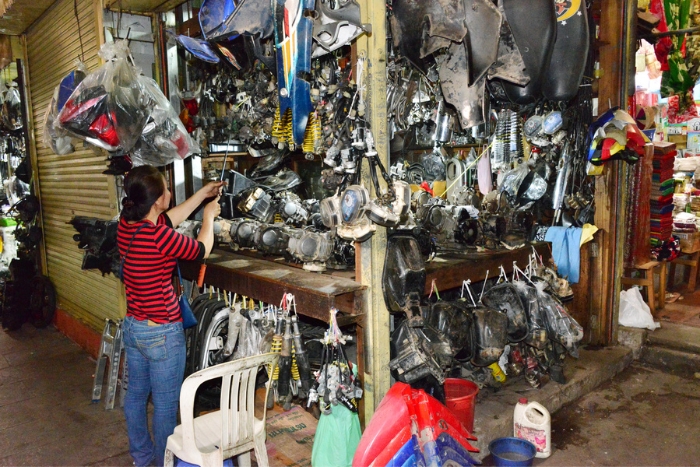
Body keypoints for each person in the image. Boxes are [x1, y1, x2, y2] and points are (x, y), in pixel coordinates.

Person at [117, 165, 225, 467]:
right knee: (165, 406)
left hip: (134, 328)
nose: (169, 193)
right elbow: (202, 248)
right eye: (166, 190)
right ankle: (164, 462)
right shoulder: (160, 238)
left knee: (136, 397)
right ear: (156, 201)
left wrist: (202, 195)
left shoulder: (127, 225)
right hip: (162, 334)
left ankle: (142, 458)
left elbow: (169, 218)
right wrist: (209, 216)